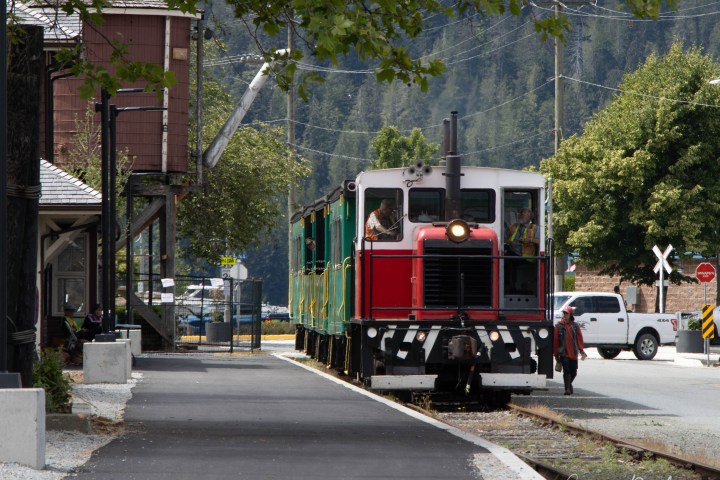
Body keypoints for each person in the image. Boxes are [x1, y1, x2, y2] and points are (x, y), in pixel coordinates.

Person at [553, 305, 587, 395]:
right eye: (564, 313)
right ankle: (567, 389)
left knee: (574, 372)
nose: (564, 315)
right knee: (566, 371)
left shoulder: (575, 326)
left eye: (566, 313)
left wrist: (581, 350)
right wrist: (556, 355)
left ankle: (569, 384)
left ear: (570, 314)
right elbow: (556, 341)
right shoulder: (558, 326)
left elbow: (579, 338)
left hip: (574, 353)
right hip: (564, 353)